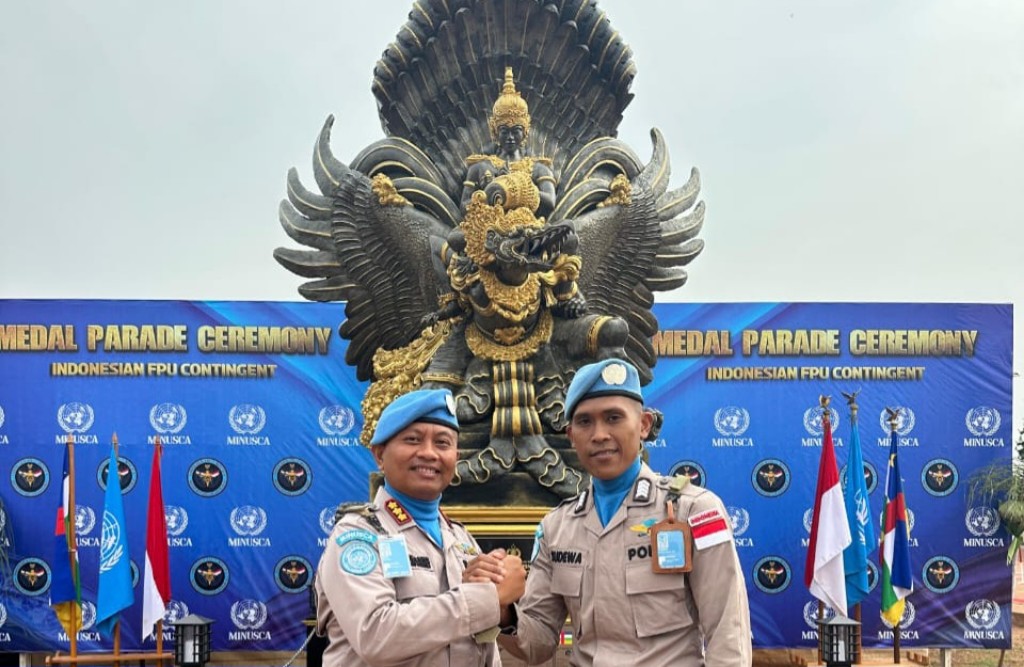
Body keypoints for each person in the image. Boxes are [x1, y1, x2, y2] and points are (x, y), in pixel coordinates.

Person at [496, 359, 752, 666]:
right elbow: (537, 642)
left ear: (643, 424)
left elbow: (728, 632)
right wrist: (503, 612)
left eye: (614, 418)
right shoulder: (557, 527)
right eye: (585, 422)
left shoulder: (693, 510)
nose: (599, 434)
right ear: (571, 436)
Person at [314, 388, 527, 666]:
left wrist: (504, 610)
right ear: (379, 454)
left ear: (456, 457)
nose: (428, 453)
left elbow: (485, 645)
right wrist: (487, 598)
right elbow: (376, 634)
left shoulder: (461, 539)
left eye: (442, 443)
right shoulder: (358, 536)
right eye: (412, 440)